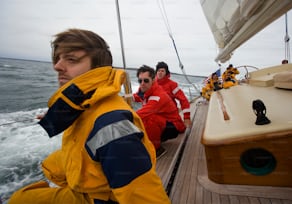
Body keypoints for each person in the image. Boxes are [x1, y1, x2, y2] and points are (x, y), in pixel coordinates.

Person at [8, 29, 170, 204]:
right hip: (91, 168)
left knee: (20, 199)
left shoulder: (112, 126)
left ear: (96, 68)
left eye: (71, 59)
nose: (57, 66)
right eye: (58, 59)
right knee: (50, 166)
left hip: (101, 199)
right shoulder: (85, 103)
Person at [133, 65, 186, 158]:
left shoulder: (158, 95)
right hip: (163, 122)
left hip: (173, 127)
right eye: (140, 81)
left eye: (146, 80)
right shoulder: (145, 90)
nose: (142, 83)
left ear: (153, 80)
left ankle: (157, 150)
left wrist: (121, 118)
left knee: (148, 118)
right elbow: (137, 96)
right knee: (144, 120)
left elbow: (143, 113)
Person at [155, 61, 191, 128]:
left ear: (166, 73)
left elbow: (183, 100)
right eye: (158, 70)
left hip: (170, 116)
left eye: (162, 71)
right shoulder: (152, 84)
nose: (160, 72)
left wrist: (186, 117)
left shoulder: (172, 85)